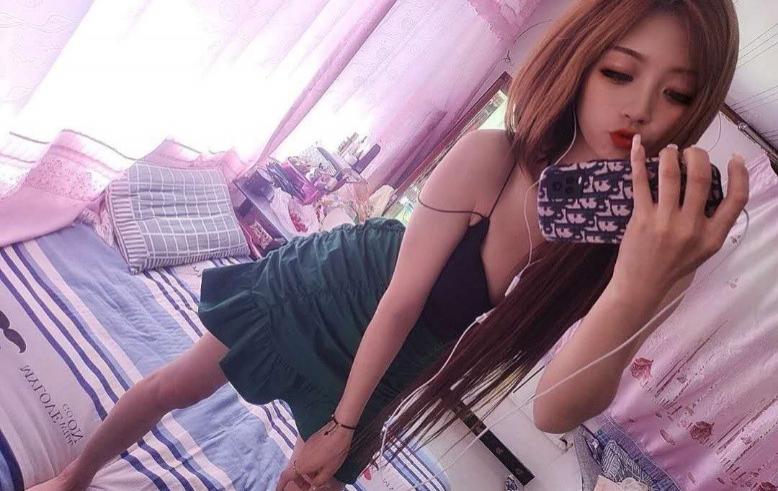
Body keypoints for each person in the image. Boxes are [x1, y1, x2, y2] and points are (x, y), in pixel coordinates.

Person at [30, 0, 748, 490]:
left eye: (677, 95)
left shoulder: (646, 235)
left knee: (312, 480)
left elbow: (555, 411)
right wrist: (342, 422)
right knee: (178, 385)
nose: (640, 109)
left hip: (411, 356)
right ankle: (72, 477)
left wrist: (641, 285)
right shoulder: (492, 157)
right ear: (581, 61)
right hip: (344, 291)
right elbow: (402, 299)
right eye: (620, 72)